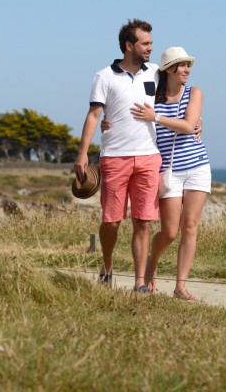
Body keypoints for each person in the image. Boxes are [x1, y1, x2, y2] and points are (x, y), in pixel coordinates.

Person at [74, 19, 162, 293]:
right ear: (129, 45)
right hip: (114, 157)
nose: (150, 47)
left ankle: (139, 284)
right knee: (111, 220)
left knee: (142, 221)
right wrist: (83, 153)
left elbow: (179, 97)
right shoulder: (104, 76)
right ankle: (108, 266)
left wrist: (198, 121)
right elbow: (94, 115)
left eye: (150, 42)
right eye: (145, 43)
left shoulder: (157, 73)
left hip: (149, 157)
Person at [131, 47, 210, 300]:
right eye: (181, 65)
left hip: (197, 166)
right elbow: (130, 116)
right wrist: (107, 123)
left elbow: (189, 125)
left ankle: (180, 286)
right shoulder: (152, 99)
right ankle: (152, 262)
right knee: (170, 232)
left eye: (189, 65)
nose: (187, 70)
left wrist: (158, 118)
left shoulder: (194, 92)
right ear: (168, 70)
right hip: (168, 171)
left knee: (190, 227)